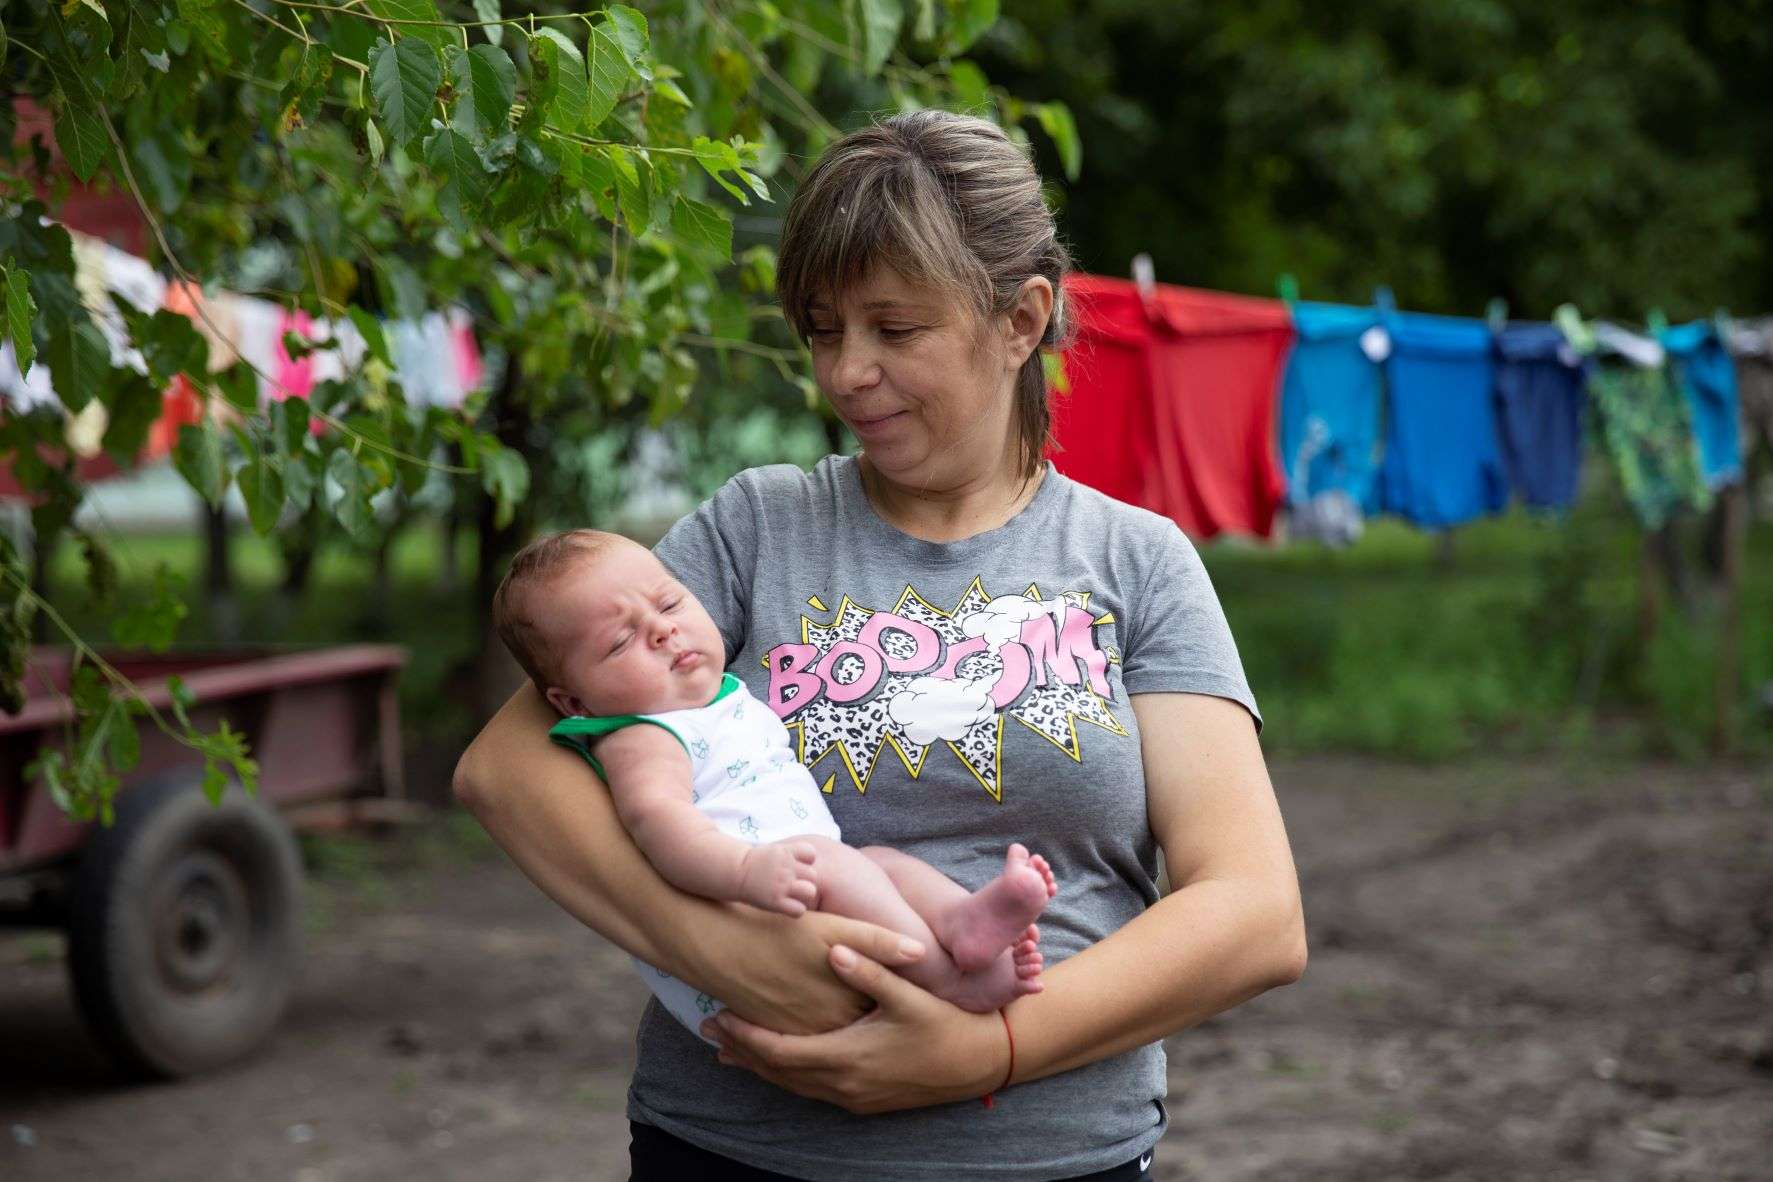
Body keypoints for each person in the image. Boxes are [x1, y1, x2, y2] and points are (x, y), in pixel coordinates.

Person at [454, 110, 1306, 1181]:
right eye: (823, 330)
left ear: (1022, 320)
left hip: (1050, 1158)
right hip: (735, 1151)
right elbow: (507, 770)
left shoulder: (1136, 562)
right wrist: (756, 967)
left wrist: (982, 1050)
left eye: (895, 330)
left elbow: (1256, 912)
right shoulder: (753, 529)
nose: (847, 373)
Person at [491, 528, 1056, 1032]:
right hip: (743, 911)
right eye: (619, 642)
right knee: (833, 860)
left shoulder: (711, 700)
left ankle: (957, 921)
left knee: (879, 862)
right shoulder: (641, 736)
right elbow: (659, 826)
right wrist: (746, 871)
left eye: (669, 603)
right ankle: (948, 978)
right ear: (573, 700)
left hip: (790, 885)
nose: (663, 631)